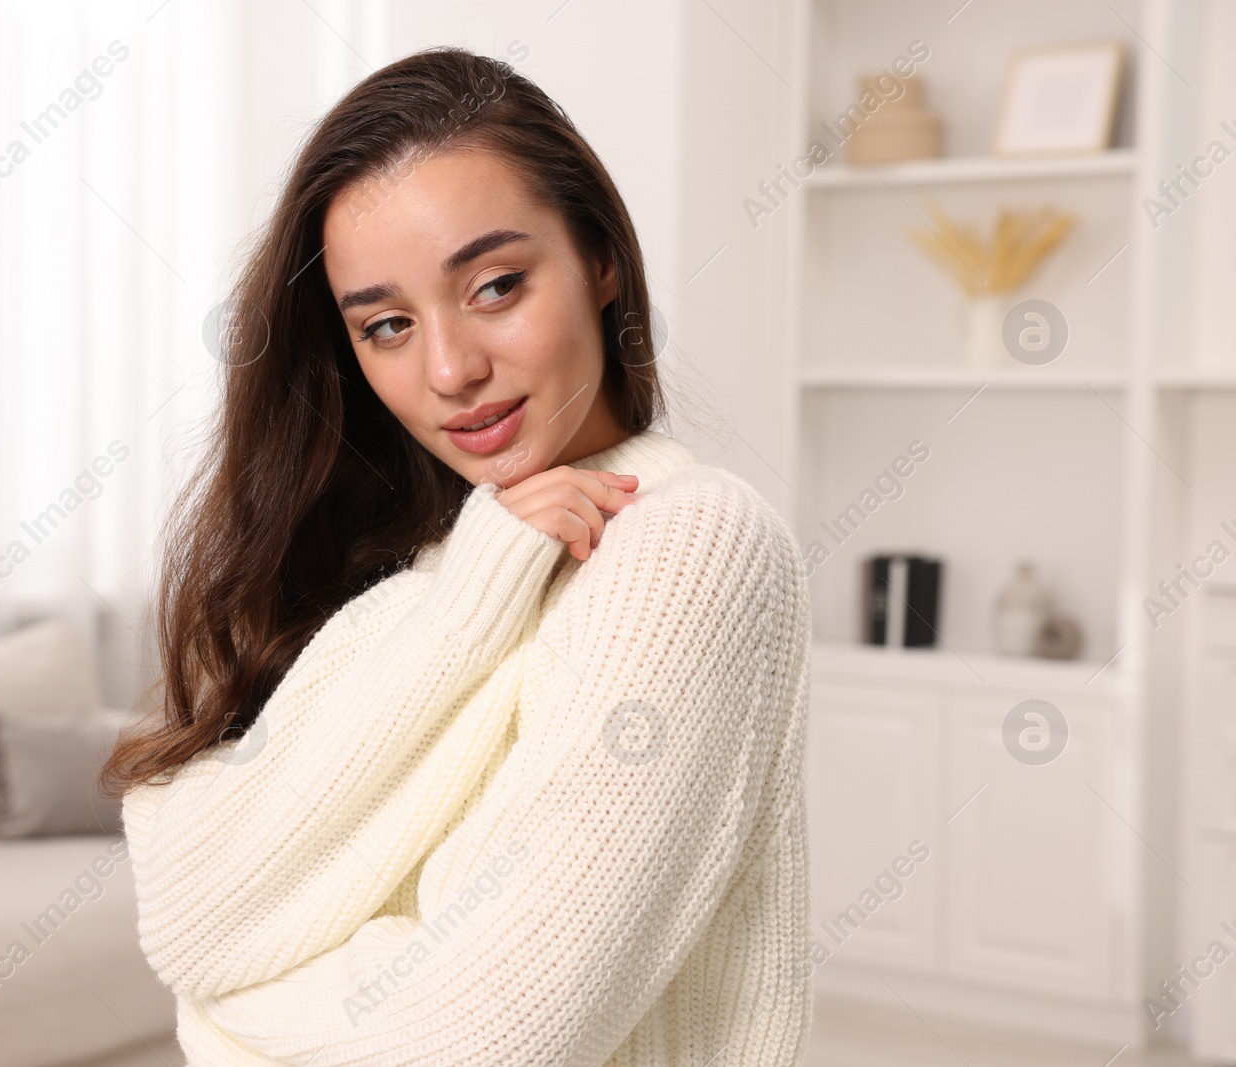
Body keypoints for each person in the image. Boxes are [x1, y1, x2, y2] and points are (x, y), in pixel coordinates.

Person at [100, 45, 813, 1067]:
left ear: (600, 259)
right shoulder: (430, 562)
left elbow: (478, 1036)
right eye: (386, 324)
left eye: (494, 285)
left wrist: (228, 1009)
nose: (449, 369)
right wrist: (462, 608)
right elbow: (185, 914)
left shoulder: (686, 544)